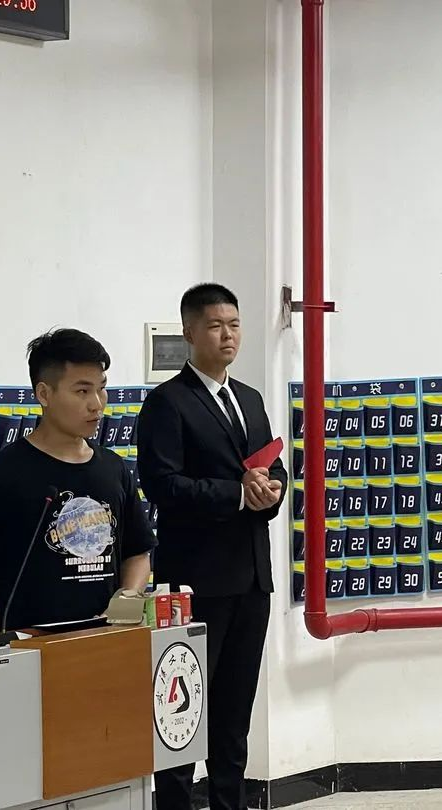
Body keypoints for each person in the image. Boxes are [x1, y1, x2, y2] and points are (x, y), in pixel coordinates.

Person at [136, 283, 286, 810]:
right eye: (216, 325)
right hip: (195, 582)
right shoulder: (167, 402)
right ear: (190, 332)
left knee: (233, 713)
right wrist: (235, 495)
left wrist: (271, 491)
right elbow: (162, 485)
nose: (228, 335)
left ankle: (230, 803)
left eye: (235, 324)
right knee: (181, 712)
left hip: (252, 579)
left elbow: (273, 468)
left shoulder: (250, 399)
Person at [0, 328, 156, 652]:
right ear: (44, 394)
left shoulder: (113, 468)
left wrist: (127, 601)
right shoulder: (1, 471)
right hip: (31, 648)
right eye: (82, 391)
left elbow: (138, 552)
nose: (96, 404)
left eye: (101, 389)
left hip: (105, 641)